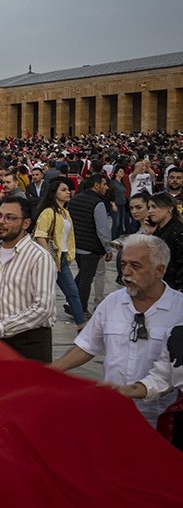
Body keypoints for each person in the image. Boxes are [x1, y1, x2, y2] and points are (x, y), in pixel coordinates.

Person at [53, 235, 183, 423]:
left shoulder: (178, 309)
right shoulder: (112, 302)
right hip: (113, 413)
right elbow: (87, 344)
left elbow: (164, 375)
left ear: (159, 270)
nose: (126, 272)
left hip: (160, 418)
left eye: (135, 266)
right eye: (123, 265)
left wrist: (132, 391)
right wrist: (54, 369)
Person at [0, 196, 57, 362]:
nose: (1, 222)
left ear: (26, 223)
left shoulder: (39, 257)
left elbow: (43, 308)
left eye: (9, 218)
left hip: (29, 341)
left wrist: (1, 327)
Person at [34, 179, 86, 330]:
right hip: (50, 259)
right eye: (63, 190)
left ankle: (80, 324)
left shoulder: (65, 213)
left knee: (72, 293)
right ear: (54, 193)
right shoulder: (48, 212)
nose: (68, 192)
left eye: (68, 189)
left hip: (61, 258)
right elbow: (40, 235)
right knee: (43, 295)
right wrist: (51, 258)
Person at [66, 174, 115, 315]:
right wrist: (108, 248)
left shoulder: (75, 200)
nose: (106, 187)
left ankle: (71, 302)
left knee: (82, 276)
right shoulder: (98, 203)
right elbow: (103, 229)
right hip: (90, 248)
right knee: (86, 280)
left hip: (77, 246)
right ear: (96, 185)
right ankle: (79, 309)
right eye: (104, 184)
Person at [146, 192, 183, 289]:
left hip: (172, 287)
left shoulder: (178, 231)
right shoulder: (156, 230)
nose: (150, 211)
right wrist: (149, 234)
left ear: (169, 208)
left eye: (154, 207)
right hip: (156, 284)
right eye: (149, 207)